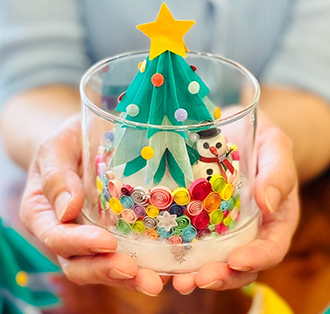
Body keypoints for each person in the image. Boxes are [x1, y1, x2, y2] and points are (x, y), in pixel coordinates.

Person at [0, 0, 329, 297]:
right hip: (94, 284)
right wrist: (66, 149)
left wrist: (270, 147)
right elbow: (31, 75)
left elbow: (314, 78)